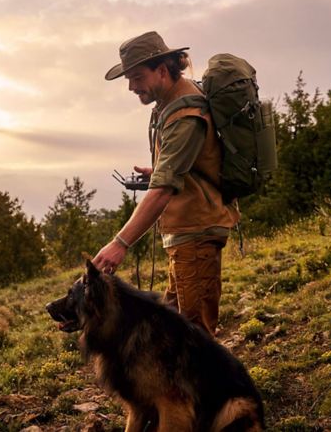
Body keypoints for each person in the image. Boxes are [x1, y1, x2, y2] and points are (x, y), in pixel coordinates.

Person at [92, 31, 239, 336]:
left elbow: (163, 190)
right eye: (128, 79)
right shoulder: (172, 102)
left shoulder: (185, 113)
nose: (132, 87)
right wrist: (159, 171)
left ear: (161, 70)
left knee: (196, 340)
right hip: (186, 234)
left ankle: (215, 386)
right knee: (174, 333)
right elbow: (185, 167)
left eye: (136, 77)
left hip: (196, 233)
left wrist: (120, 244)